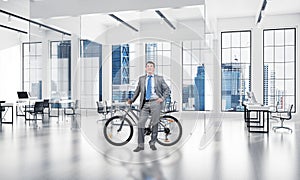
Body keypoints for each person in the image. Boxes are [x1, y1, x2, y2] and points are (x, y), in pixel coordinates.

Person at [128, 61, 170, 152]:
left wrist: (162, 98)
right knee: (140, 123)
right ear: (145, 68)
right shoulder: (142, 79)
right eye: (148, 66)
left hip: (156, 102)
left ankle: (152, 143)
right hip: (145, 103)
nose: (150, 68)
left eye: (151, 66)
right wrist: (132, 100)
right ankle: (140, 145)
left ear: (154, 68)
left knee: (155, 123)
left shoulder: (159, 78)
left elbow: (167, 90)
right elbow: (137, 91)